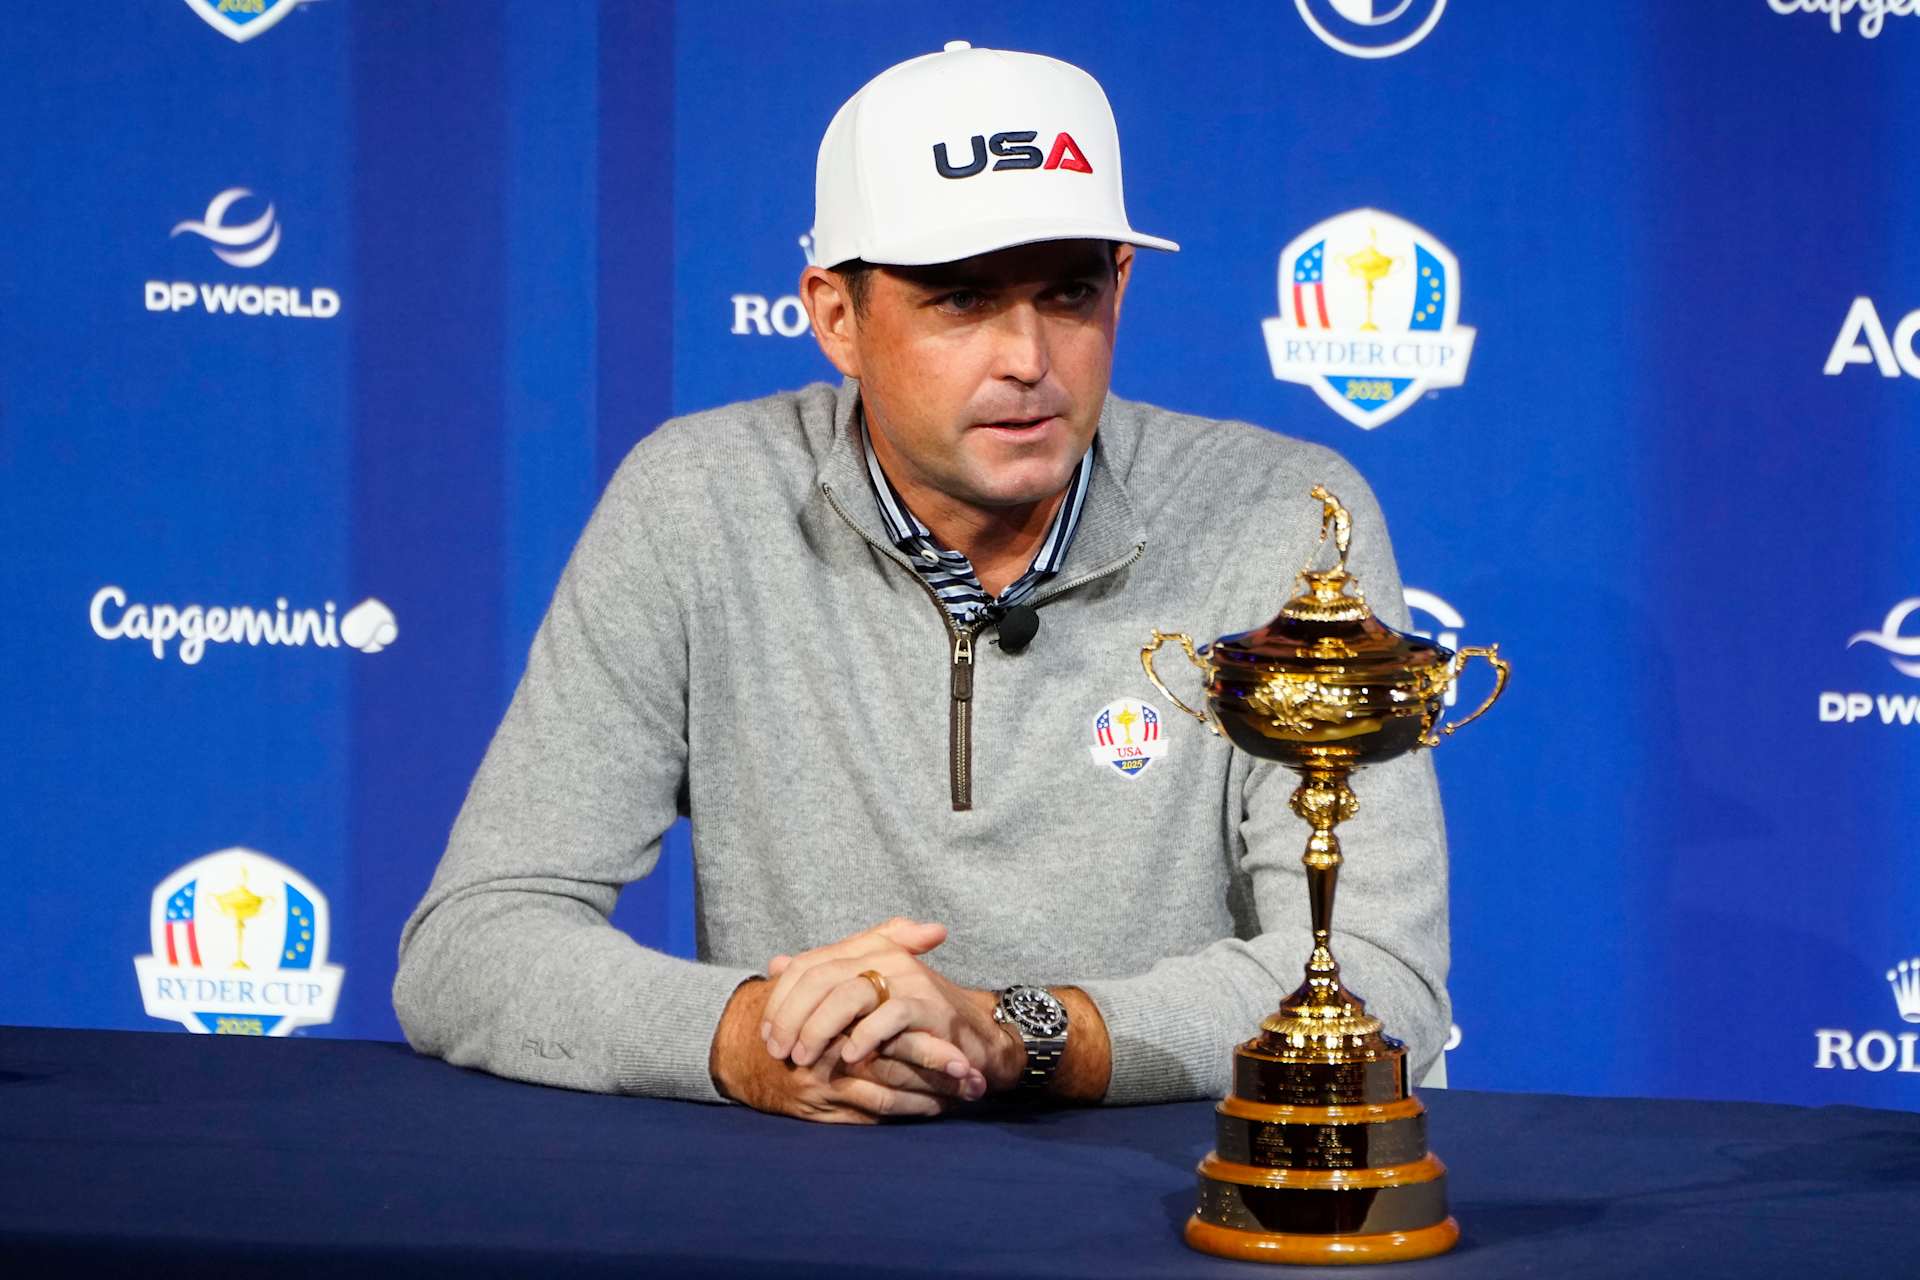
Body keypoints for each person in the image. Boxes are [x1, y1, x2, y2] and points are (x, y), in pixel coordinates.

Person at [393, 41, 1450, 1124]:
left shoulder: (1286, 519)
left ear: (1122, 286)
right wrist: (752, 1036)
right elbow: (473, 941)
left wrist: (1019, 1035)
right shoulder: (698, 500)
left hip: (1165, 1191)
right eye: (962, 300)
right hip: (813, 1195)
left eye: (1070, 292)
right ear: (835, 317)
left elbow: (1377, 979)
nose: (1029, 357)